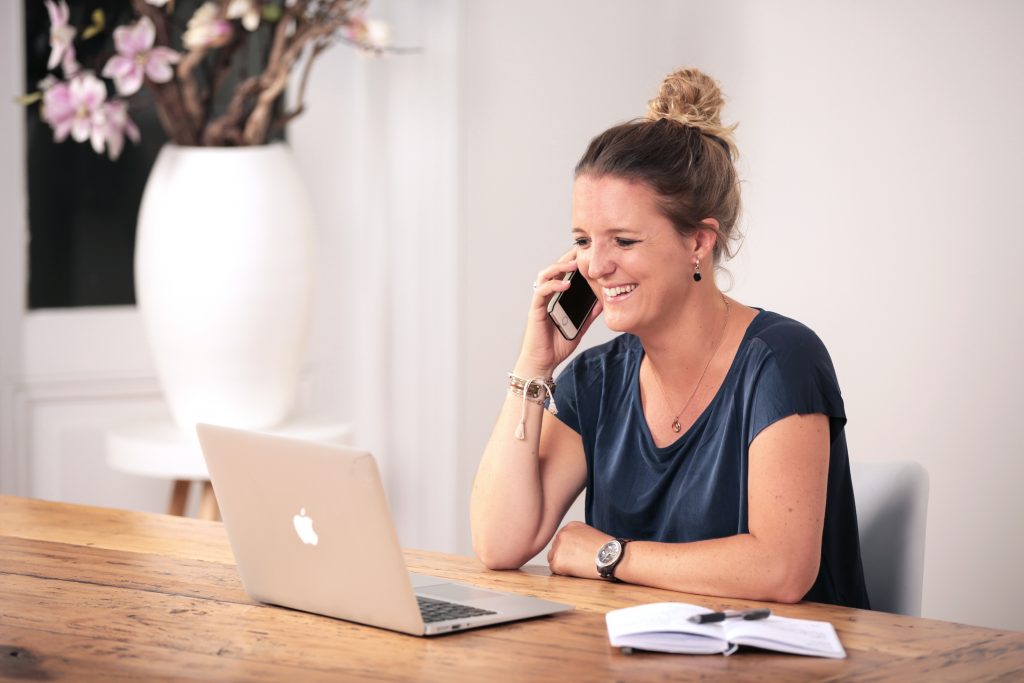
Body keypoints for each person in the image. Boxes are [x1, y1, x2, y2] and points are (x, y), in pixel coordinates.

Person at [470, 67, 870, 608]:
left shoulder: (781, 359)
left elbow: (780, 571)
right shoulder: (597, 377)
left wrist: (608, 555)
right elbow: (499, 542)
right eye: (582, 240)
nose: (596, 264)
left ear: (698, 243)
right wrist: (534, 365)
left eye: (624, 240)